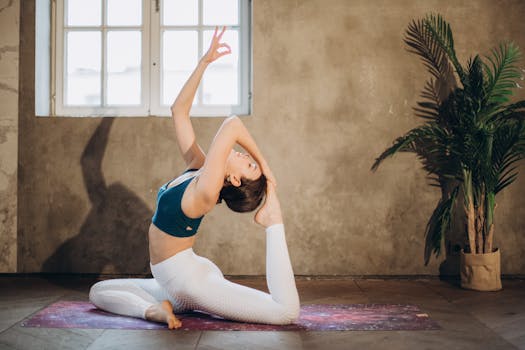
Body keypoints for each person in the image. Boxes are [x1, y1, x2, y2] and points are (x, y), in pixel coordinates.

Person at [89, 27, 300, 329]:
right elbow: (178, 112)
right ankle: (155, 309)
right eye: (252, 161)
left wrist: (265, 165)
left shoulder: (207, 191)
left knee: (284, 313)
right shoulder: (198, 168)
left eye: (249, 166)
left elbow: (232, 124)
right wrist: (204, 62)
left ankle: (274, 220)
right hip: (173, 277)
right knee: (98, 291)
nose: (247, 156)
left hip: (189, 283)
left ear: (234, 181)